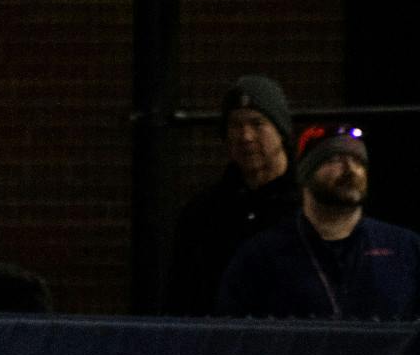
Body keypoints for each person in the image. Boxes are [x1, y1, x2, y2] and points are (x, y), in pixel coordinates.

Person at [217, 123, 420, 319]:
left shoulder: (405, 248)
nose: (350, 169)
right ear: (306, 173)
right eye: (333, 160)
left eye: (358, 161)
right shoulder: (262, 256)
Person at [162, 74, 298, 314]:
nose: (246, 136)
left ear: (281, 131)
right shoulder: (204, 213)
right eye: (236, 125)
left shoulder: (309, 209)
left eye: (257, 124)